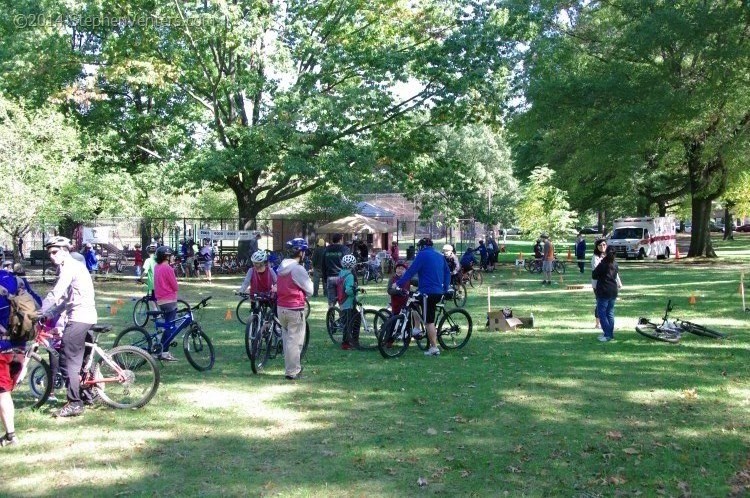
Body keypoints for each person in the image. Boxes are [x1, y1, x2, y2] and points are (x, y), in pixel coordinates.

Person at [40, 236, 97, 417]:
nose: (52, 256)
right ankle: (86, 394)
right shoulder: (75, 267)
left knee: (66, 360)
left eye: (55, 252)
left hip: (79, 318)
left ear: (65, 251)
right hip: (85, 316)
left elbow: (56, 293)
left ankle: (74, 403)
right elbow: (66, 300)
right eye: (49, 253)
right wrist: (48, 314)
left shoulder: (69, 267)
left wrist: (37, 310)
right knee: (80, 361)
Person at [396, 237, 451, 357]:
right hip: (436, 291)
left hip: (428, 293)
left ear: (421, 247)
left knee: (429, 322)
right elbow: (447, 273)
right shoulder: (440, 255)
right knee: (413, 300)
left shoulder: (422, 255)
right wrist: (445, 288)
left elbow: (410, 271)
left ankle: (434, 348)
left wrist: (398, 283)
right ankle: (416, 328)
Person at [276, 238, 313, 380]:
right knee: (295, 342)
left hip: (281, 307)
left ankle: (290, 368)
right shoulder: (298, 269)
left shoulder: (281, 267)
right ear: (301, 253)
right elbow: (309, 290)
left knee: (287, 340)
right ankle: (293, 371)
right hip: (294, 308)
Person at [0, 265, 23, 446]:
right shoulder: (18, 281)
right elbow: (36, 305)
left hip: (1, 348)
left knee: (3, 394)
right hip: (19, 348)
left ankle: (11, 436)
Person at [154, 246, 180, 361]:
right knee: (171, 327)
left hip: (160, 300)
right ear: (167, 256)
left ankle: (162, 347)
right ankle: (164, 351)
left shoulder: (157, 267)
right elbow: (175, 286)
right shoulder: (168, 268)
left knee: (167, 325)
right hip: (170, 300)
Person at [592, 246, 622, 342]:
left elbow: (594, 275)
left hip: (604, 290)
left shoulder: (603, 264)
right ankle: (610, 334)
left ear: (606, 253)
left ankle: (608, 334)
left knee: (602, 313)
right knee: (610, 313)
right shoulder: (615, 264)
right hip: (613, 290)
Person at [322, 233, 350, 307]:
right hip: (342, 278)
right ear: (340, 240)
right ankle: (343, 318)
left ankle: (330, 318)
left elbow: (323, 265)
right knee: (343, 302)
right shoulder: (345, 249)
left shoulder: (326, 250)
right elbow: (349, 264)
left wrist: (325, 279)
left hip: (330, 277)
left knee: (331, 303)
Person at [338, 254, 359, 350]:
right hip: (348, 302)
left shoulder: (341, 272)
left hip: (342, 301)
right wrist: (354, 292)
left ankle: (354, 340)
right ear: (353, 265)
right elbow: (348, 290)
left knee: (355, 318)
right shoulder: (350, 275)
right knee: (349, 322)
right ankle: (346, 343)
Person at [590, 238, 607, 329]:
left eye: (604, 245)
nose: (602, 247)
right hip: (598, 284)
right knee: (600, 302)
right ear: (597, 247)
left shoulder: (606, 256)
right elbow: (597, 271)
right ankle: (598, 324)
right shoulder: (595, 257)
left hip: (606, 283)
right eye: (600, 245)